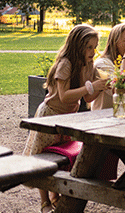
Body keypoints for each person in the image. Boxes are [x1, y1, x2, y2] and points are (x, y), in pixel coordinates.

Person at [23, 24, 109, 213]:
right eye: (89, 47)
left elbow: (87, 99)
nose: (93, 52)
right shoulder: (66, 64)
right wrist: (91, 87)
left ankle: (56, 196)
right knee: (42, 160)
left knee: (63, 157)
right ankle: (44, 202)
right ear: (77, 45)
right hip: (50, 116)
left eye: (95, 47)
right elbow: (64, 96)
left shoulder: (88, 65)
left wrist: (100, 88)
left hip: (68, 119)